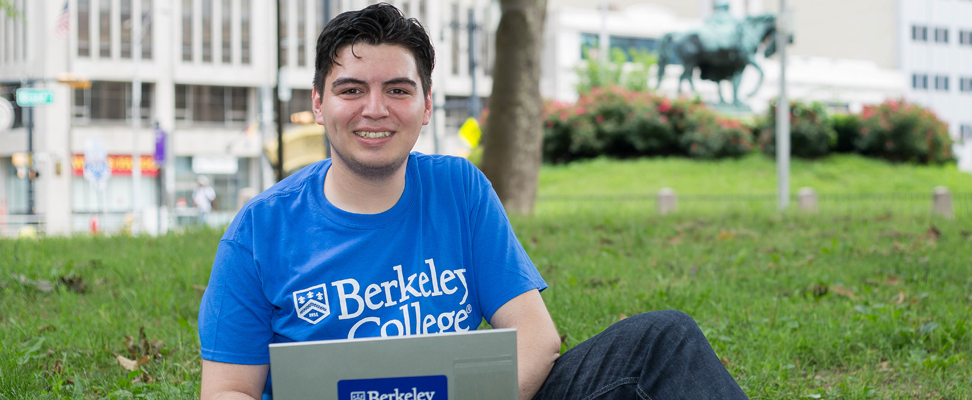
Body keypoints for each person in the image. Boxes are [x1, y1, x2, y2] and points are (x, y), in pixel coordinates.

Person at [197, 4, 748, 400]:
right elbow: (227, 390)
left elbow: (536, 338)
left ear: (426, 105)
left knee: (663, 339)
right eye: (350, 89)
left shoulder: (459, 189)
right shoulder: (258, 232)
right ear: (319, 103)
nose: (375, 109)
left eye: (398, 89)